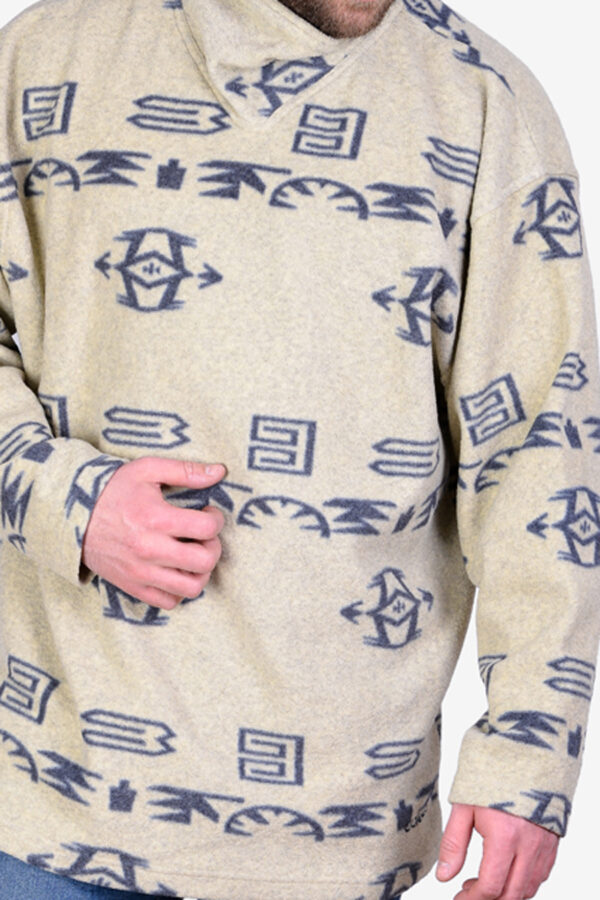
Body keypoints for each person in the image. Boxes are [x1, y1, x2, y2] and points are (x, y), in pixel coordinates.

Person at [0, 0, 598, 898]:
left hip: (338, 843)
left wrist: (532, 747)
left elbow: (539, 452)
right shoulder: (45, 58)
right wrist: (60, 500)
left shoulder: (487, 102)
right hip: (50, 814)